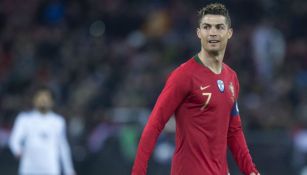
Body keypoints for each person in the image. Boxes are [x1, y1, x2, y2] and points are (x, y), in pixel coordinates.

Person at [131, 3, 260, 175]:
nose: (213, 33)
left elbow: (234, 131)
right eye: (207, 27)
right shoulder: (184, 75)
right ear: (199, 33)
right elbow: (155, 123)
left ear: (229, 33)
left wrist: (250, 171)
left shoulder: (231, 78)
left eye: (219, 27)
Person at [9, 88, 75, 175]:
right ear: (34, 100)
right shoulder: (24, 119)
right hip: (30, 167)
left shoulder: (58, 121)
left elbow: (62, 146)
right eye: (40, 97)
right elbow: (14, 140)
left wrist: (69, 170)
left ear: (52, 102)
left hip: (50, 167)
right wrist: (17, 151)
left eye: (46, 98)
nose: (43, 100)